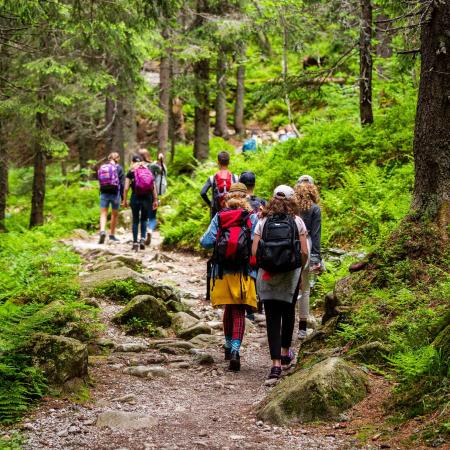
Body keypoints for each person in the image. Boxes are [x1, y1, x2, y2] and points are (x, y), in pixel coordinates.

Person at [252, 185, 309, 380]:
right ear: (292, 199)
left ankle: (275, 365)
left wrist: (267, 263)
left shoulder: (263, 220)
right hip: (290, 275)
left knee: (272, 318)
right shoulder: (297, 221)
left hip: (267, 275)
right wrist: (298, 270)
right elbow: (304, 253)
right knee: (288, 312)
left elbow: (254, 251)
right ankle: (285, 354)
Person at [200, 183, 258, 372]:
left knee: (228, 308)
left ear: (229, 197)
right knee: (239, 310)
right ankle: (235, 350)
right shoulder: (251, 217)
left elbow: (206, 242)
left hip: (222, 270)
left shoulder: (220, 215)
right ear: (245, 197)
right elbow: (258, 242)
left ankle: (227, 345)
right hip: (244, 271)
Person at [294, 175, 322, 339]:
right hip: (308, 246)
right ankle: (302, 328)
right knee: (305, 289)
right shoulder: (314, 208)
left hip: (291, 246)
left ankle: (287, 323)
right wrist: (316, 259)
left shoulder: (292, 206)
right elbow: (316, 235)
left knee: (290, 285)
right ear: (312, 188)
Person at [239, 170, 267, 318]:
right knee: (260, 273)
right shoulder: (262, 202)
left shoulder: (240, 203)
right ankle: (260, 305)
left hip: (244, 244)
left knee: (248, 274)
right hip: (260, 244)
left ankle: (249, 310)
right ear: (254, 184)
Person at [122, 155, 158, 251]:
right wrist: (155, 200)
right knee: (144, 219)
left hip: (135, 197)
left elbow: (125, 188)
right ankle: (142, 239)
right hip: (147, 198)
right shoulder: (148, 171)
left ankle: (135, 243)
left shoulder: (130, 172)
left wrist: (124, 200)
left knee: (135, 220)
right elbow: (153, 187)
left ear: (132, 162)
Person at [138, 149, 167, 245]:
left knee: (143, 215)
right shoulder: (152, 165)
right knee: (153, 216)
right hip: (153, 192)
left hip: (140, 194)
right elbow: (163, 172)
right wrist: (160, 161)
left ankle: (143, 235)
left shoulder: (136, 166)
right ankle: (150, 229)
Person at [200, 151, 238, 219]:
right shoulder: (235, 177)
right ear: (229, 162)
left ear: (218, 162)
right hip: (232, 213)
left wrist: (210, 204)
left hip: (216, 214)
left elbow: (203, 193)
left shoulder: (212, 178)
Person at [98, 152, 125, 244]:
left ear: (109, 158)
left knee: (103, 213)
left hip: (104, 193)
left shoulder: (103, 167)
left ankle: (102, 231)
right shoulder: (119, 168)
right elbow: (121, 184)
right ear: (117, 159)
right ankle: (112, 235)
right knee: (114, 215)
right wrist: (123, 198)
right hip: (115, 194)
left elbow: (100, 181)